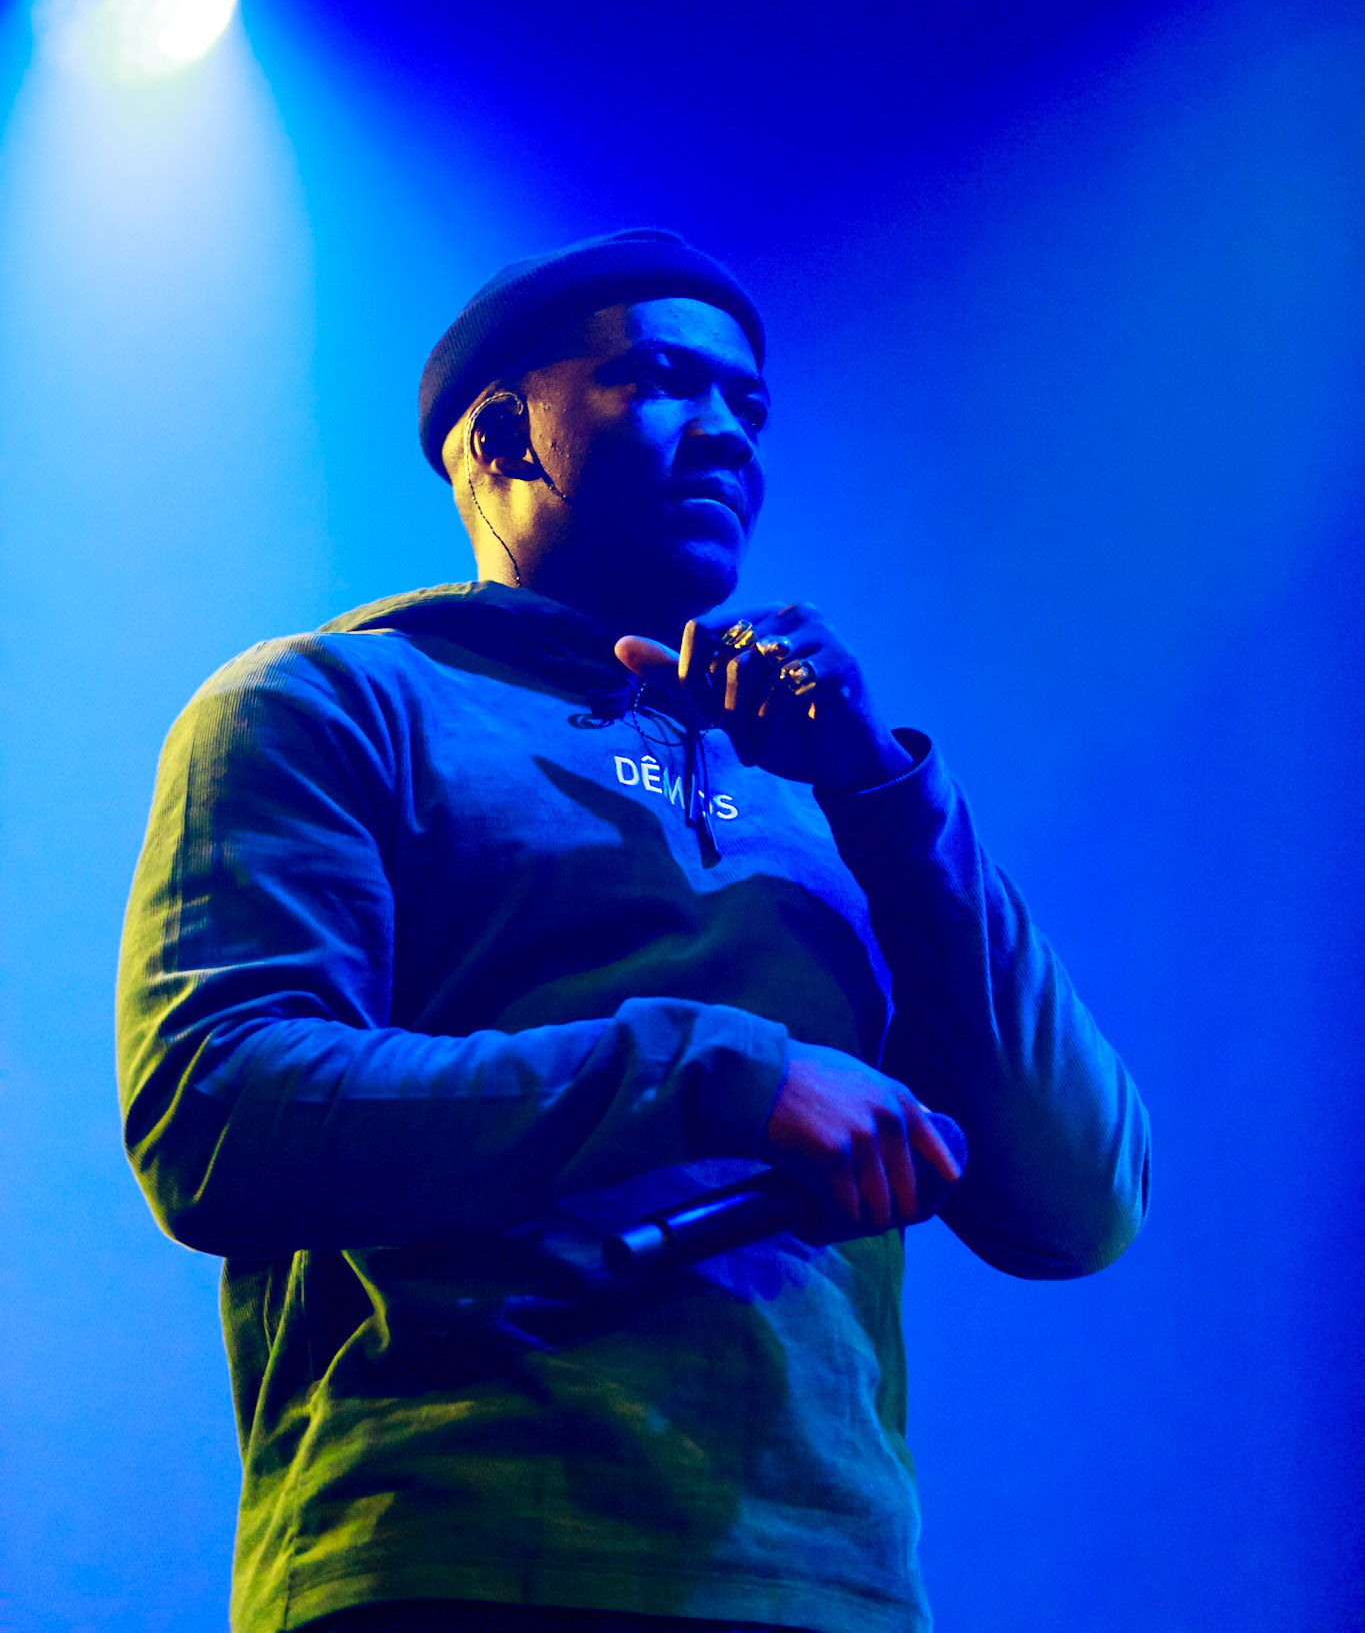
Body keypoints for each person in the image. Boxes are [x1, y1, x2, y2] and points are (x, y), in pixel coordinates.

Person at [118, 228, 1150, 1633]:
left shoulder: (821, 812)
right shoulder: (324, 705)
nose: (726, 431)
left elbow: (1077, 1204)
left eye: (751, 405)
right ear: (502, 433)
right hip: (455, 1558)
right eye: (665, 380)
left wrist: (886, 792)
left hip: (824, 1581)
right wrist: (724, 1076)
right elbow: (217, 1112)